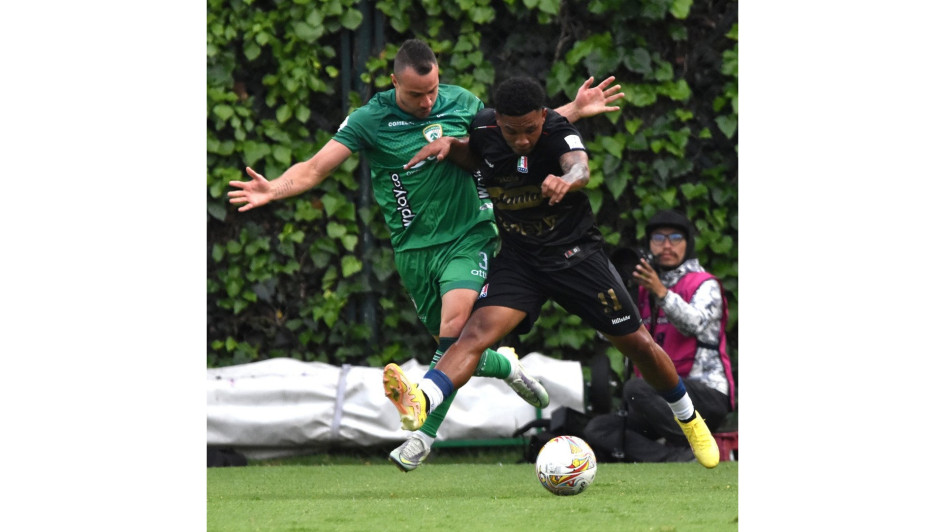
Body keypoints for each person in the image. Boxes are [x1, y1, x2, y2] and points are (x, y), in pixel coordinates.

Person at [227, 39, 625, 472]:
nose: (428, 101)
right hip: (414, 249)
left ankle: (422, 435)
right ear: (395, 81)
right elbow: (315, 168)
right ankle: (505, 365)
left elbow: (514, 132)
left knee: (454, 325)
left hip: (470, 235)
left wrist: (575, 109)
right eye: (417, 94)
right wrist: (274, 188)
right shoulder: (369, 120)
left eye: (433, 90)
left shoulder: (461, 102)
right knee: (450, 346)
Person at [384, 77, 720, 468]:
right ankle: (422, 398)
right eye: (512, 131)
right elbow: (476, 155)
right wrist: (453, 146)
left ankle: (690, 420)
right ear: (498, 122)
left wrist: (568, 180)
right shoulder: (484, 128)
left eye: (530, 129)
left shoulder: (560, 131)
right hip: (521, 261)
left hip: (576, 259)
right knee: (471, 334)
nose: (522, 139)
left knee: (637, 344)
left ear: (544, 116)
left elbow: (580, 167)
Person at [583, 209, 735, 463]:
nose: (666, 245)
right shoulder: (641, 290)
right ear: (648, 245)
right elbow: (609, 336)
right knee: (599, 428)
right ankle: (678, 457)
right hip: (659, 398)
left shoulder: (704, 283)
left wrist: (661, 292)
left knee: (636, 388)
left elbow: (694, 324)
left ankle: (697, 441)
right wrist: (616, 297)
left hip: (706, 393)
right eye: (658, 238)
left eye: (675, 237)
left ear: (688, 244)